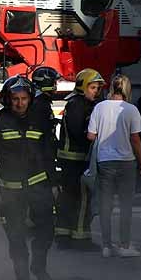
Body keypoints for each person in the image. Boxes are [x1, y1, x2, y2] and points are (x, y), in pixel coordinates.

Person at [0, 76, 57, 280]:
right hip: (11, 191)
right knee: (16, 238)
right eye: (15, 99)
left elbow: (48, 155)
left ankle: (39, 266)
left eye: (24, 98)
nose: (20, 103)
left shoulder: (40, 121)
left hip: (39, 187)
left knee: (46, 232)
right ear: (8, 99)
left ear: (30, 99)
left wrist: (54, 184)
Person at [87, 74, 141, 258]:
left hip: (104, 161)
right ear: (127, 89)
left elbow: (91, 136)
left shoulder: (99, 107)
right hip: (126, 162)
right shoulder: (131, 109)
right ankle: (124, 244)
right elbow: (135, 139)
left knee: (105, 204)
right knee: (126, 205)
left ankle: (106, 245)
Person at [55, 68, 105, 249]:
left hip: (70, 159)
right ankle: (80, 238)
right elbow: (79, 132)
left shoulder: (74, 102)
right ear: (83, 86)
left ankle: (63, 235)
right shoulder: (79, 105)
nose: (96, 92)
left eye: (98, 88)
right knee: (82, 198)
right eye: (93, 87)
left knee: (68, 198)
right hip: (76, 159)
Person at [30, 66, 60, 130]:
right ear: (47, 83)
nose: (56, 85)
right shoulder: (41, 104)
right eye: (54, 82)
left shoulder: (36, 100)